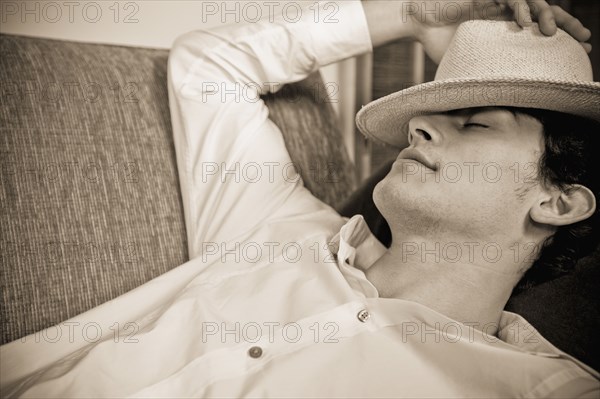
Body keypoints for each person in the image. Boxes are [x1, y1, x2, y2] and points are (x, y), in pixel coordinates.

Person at [1, 0, 599, 397]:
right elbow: (208, 64)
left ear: (560, 202)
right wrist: (411, 13)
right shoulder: (273, 222)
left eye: (476, 124)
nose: (418, 128)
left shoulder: (541, 388)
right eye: (430, 114)